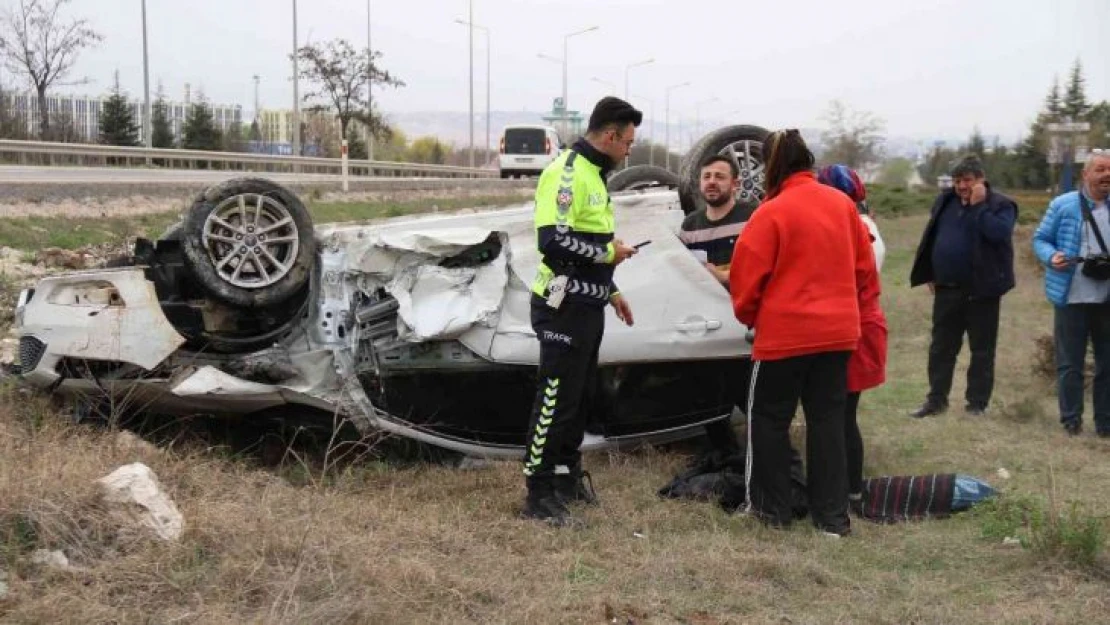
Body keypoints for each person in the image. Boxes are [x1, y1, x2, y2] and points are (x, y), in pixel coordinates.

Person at [729, 130, 878, 537]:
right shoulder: (843, 206)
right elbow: (865, 270)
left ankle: (770, 510)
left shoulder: (771, 211)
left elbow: (747, 278)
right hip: (838, 334)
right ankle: (832, 520)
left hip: (784, 337)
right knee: (828, 422)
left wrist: (750, 315)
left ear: (772, 165)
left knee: (767, 420)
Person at [520, 96, 642, 526]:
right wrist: (609, 252)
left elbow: (587, 244)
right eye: (627, 142)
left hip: (589, 304)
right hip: (561, 306)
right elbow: (552, 243)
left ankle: (566, 478)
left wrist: (610, 290)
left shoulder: (595, 174)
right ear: (610, 136)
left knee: (579, 398)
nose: (629, 151)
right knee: (554, 399)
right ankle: (538, 494)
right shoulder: (566, 172)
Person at [908, 155, 1018, 417]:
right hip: (947, 289)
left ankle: (976, 404)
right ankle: (936, 400)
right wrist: (931, 272)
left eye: (967, 180)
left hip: (983, 290)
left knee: (981, 350)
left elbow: (998, 234)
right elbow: (933, 236)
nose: (961, 186)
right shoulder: (945, 201)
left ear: (981, 180)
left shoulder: (1001, 205)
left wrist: (978, 206)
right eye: (957, 180)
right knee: (941, 347)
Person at [816, 164, 889, 509]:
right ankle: (846, 487)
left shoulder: (861, 229)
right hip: (853, 325)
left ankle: (850, 490)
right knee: (839, 412)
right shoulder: (859, 224)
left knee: (842, 413)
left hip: (855, 329)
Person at [678, 155, 757, 455]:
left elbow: (761, 267)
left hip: (745, 323)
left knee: (748, 393)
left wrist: (720, 275)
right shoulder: (690, 225)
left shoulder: (753, 217)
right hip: (706, 324)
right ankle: (723, 455)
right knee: (705, 393)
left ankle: (763, 456)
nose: (712, 181)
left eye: (719, 176)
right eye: (707, 176)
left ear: (735, 184)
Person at [1032, 151, 1110, 437]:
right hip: (1071, 297)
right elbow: (1040, 239)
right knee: (1070, 364)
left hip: (1106, 299)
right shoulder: (1063, 205)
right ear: (1085, 175)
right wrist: (1052, 256)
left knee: (1108, 365)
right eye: (1100, 169)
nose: (1106, 175)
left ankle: (1105, 423)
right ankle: (1071, 421)